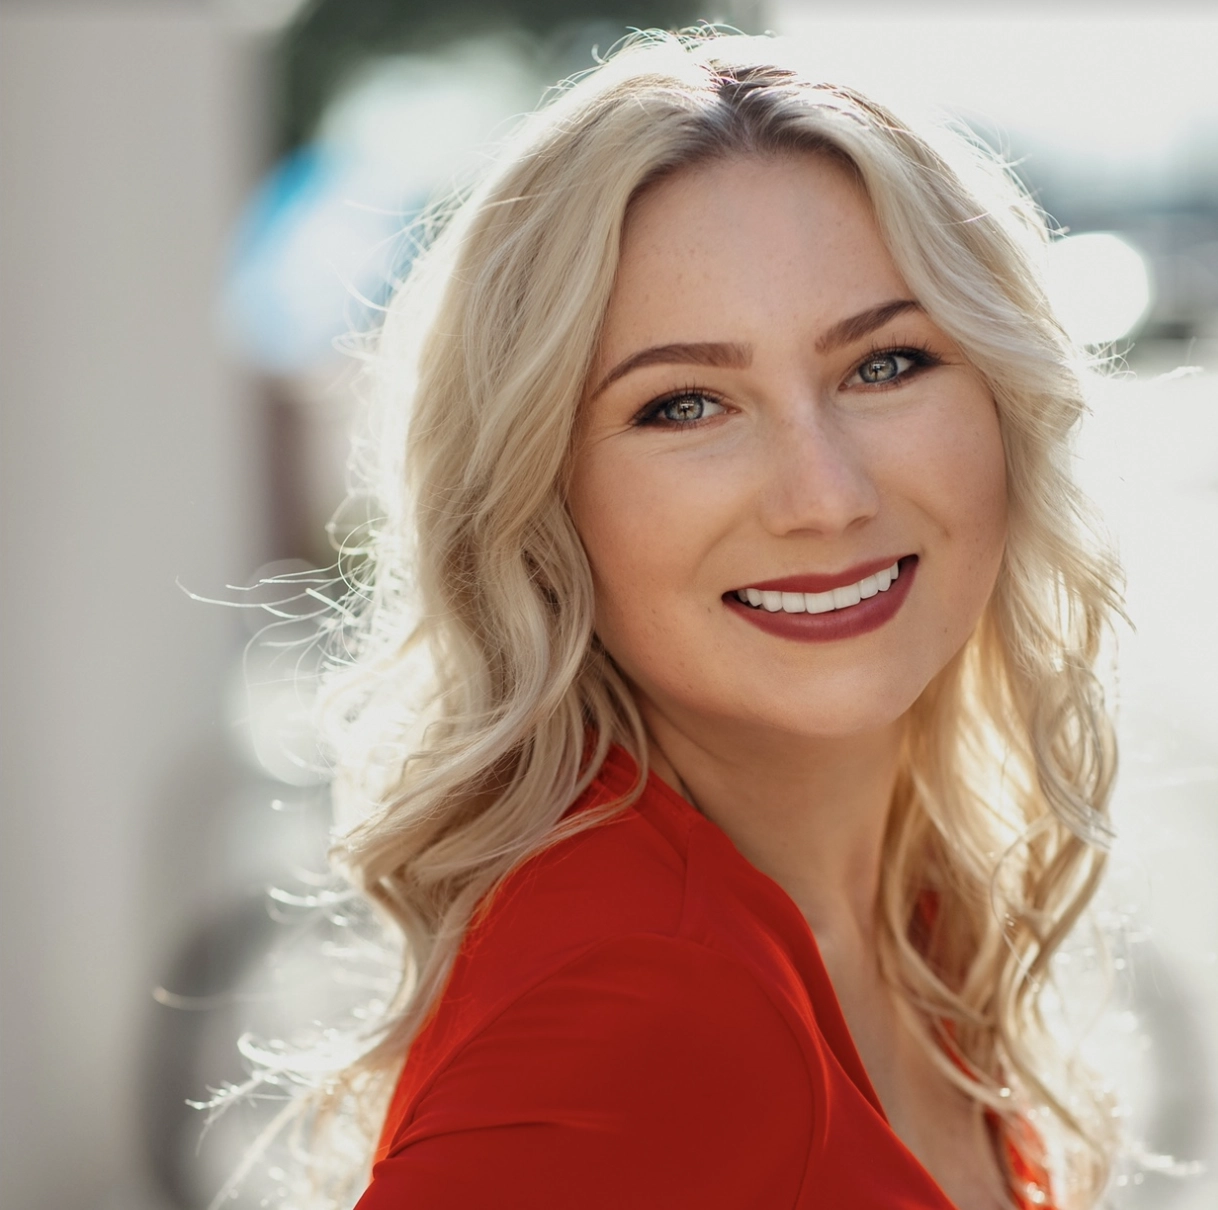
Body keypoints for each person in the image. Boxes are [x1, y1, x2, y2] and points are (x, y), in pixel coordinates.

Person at [290, 28, 1125, 1210]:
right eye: (685, 404)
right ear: (542, 499)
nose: (823, 496)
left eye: (885, 365)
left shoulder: (909, 918)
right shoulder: (637, 1004)